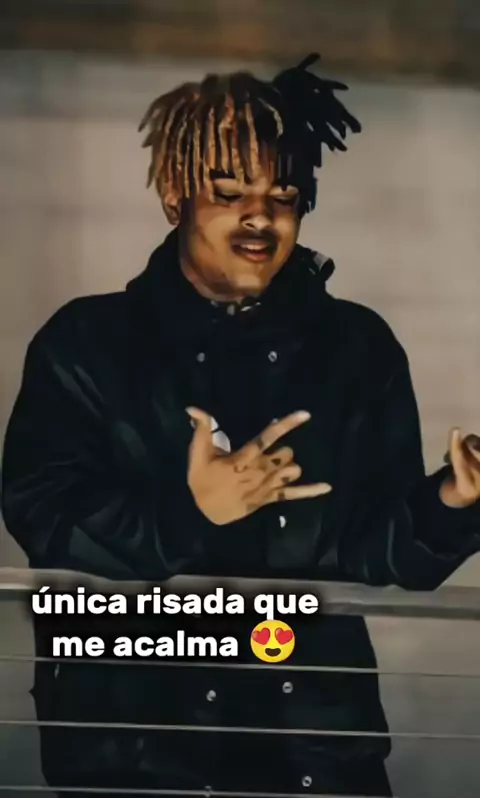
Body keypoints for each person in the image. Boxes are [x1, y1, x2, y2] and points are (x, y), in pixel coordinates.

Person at [2, 53, 480, 797]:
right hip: (136, 760)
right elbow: (41, 514)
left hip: (315, 759)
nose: (260, 217)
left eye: (283, 196)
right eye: (229, 194)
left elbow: (372, 550)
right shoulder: (86, 343)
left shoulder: (358, 348)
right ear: (175, 195)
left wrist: (453, 501)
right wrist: (191, 512)